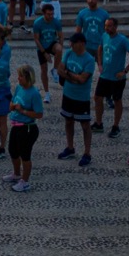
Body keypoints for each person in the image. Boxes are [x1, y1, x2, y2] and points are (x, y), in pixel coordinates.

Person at [56, 32, 95, 166]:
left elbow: (83, 79)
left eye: (73, 43)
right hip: (68, 95)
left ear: (82, 44)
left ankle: (87, 153)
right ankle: (70, 147)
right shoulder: (68, 53)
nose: (70, 45)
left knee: (85, 125)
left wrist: (68, 74)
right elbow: (60, 70)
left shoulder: (89, 60)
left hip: (81, 98)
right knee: (68, 121)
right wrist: (72, 77)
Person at [4, 65, 44, 193]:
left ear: (27, 77)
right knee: (12, 151)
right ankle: (16, 174)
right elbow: (12, 101)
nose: (18, 78)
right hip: (16, 125)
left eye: (21, 76)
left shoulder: (34, 94)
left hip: (28, 128)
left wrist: (23, 111)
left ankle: (25, 182)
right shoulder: (18, 88)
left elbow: (39, 114)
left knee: (25, 155)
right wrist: (12, 106)